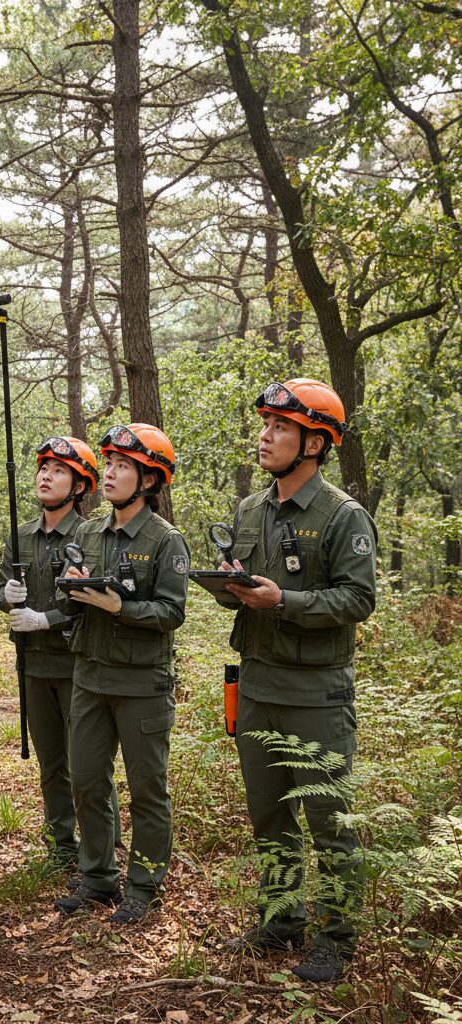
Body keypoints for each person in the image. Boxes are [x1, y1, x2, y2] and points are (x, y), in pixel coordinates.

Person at [216, 378, 376, 983]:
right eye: (265, 426)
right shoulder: (250, 509)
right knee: (269, 817)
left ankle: (337, 938)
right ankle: (281, 922)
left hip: (315, 693)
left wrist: (285, 600)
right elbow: (250, 585)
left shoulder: (343, 515)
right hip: (257, 685)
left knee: (328, 821)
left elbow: (357, 598)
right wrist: (232, 583)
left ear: (315, 442)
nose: (266, 436)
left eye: (281, 428)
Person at [54, 424, 189, 926]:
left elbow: (172, 611)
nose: (109, 474)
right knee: (87, 779)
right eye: (108, 464)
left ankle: (144, 885)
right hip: (89, 677)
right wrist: (74, 589)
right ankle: (98, 876)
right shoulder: (87, 531)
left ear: (150, 480)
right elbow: (71, 589)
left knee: (147, 787)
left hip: (141, 684)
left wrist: (121, 607)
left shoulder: (164, 540)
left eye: (123, 466)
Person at [0, 437, 99, 867]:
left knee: (86, 765)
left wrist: (47, 618)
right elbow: (1, 590)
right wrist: (8, 594)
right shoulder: (21, 536)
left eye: (58, 471)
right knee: (52, 762)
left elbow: (91, 597)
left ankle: (97, 849)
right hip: (33, 664)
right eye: (43, 469)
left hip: (78, 663)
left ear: (78, 486)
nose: (45, 476)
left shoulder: (91, 535)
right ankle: (63, 846)